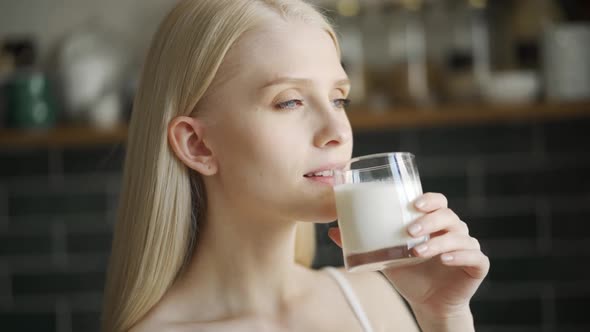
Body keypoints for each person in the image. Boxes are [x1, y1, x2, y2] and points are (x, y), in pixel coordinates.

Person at [101, 0, 490, 331]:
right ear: (197, 144)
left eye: (339, 99)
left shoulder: (373, 300)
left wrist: (446, 316)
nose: (337, 130)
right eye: (289, 102)